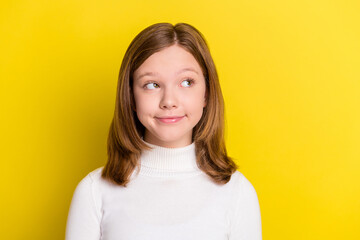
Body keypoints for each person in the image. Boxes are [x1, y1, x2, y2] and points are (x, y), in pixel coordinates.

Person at [65, 22, 262, 240]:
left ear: (206, 93)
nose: (169, 101)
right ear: (130, 96)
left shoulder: (237, 192)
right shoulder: (94, 192)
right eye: (152, 85)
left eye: (186, 82)